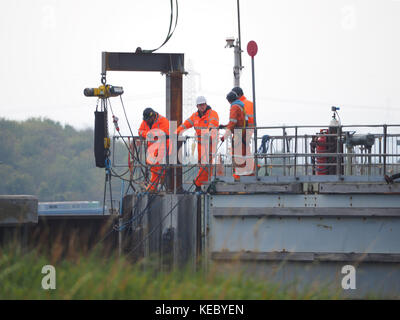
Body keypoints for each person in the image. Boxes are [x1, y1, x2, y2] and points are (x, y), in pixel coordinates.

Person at [176, 96, 219, 191]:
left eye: (203, 105)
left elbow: (213, 123)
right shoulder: (195, 116)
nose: (202, 107)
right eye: (200, 105)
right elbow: (186, 124)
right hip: (200, 144)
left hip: (210, 143)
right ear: (197, 106)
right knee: (202, 165)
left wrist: (208, 131)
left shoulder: (212, 114)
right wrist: (176, 132)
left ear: (206, 104)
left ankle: (199, 184)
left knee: (205, 165)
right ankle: (202, 184)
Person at [138, 108, 169, 192]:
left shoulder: (163, 121)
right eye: (146, 120)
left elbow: (164, 134)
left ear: (153, 116)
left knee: (158, 168)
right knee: (153, 168)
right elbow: (140, 131)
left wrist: (152, 134)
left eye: (148, 119)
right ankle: (154, 187)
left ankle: (153, 188)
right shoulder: (145, 121)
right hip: (151, 149)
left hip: (162, 148)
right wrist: (148, 134)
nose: (147, 122)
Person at [220, 91, 249, 180]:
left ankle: (238, 179)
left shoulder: (234, 107)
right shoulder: (241, 106)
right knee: (242, 156)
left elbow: (233, 122)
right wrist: (225, 126)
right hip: (242, 134)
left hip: (238, 134)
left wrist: (224, 136)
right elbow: (238, 121)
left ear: (229, 101)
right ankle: (243, 177)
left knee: (237, 157)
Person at [232, 86, 255, 176]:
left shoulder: (239, 104)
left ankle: (239, 176)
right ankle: (250, 173)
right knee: (245, 153)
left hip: (241, 132)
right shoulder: (249, 103)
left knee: (239, 155)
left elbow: (237, 120)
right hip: (248, 131)